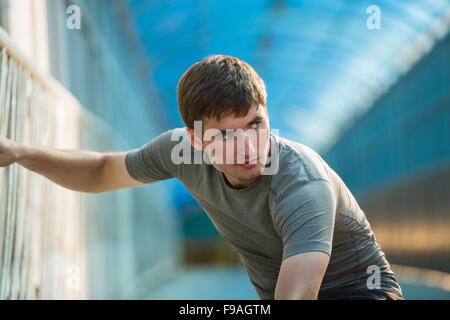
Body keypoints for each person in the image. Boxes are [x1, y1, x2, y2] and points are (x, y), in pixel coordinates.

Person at [0, 55, 403, 300]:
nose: (248, 145)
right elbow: (103, 170)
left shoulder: (301, 183)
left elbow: (297, 294)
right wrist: (20, 153)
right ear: (195, 138)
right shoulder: (179, 152)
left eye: (256, 123)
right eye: (227, 134)